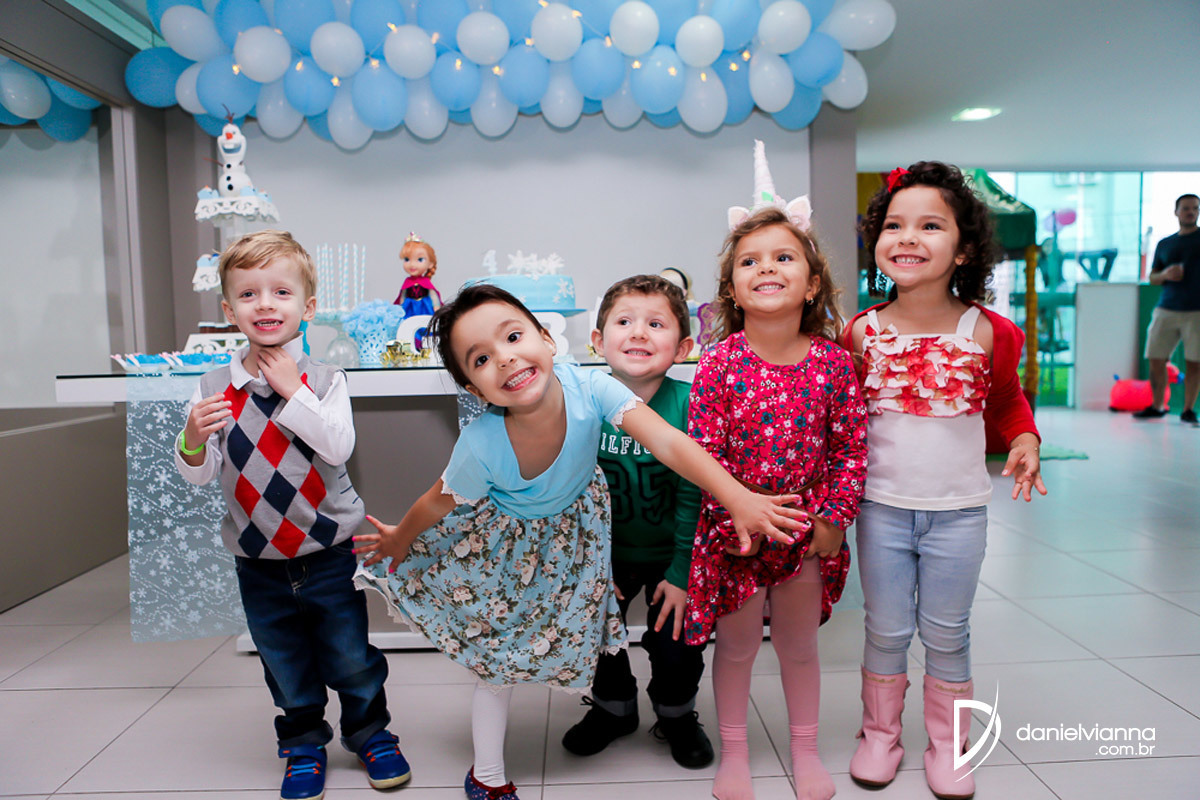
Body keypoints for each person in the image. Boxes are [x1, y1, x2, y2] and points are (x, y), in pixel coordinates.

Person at [351, 284, 806, 800]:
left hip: (580, 534)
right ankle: (489, 776)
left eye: (513, 337)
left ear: (548, 341)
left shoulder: (590, 387)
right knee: (496, 660)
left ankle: (640, 709)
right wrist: (400, 539)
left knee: (592, 630)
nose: (505, 358)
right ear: (476, 390)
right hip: (511, 547)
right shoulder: (481, 445)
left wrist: (737, 496)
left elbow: (667, 441)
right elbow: (437, 500)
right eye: (481, 358)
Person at [174, 230, 410, 800]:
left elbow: (337, 446)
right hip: (258, 560)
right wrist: (191, 440)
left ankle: (370, 732)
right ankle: (303, 742)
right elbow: (202, 475)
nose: (265, 304)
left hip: (327, 553)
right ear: (229, 310)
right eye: (248, 294)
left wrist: (291, 390)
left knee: (351, 655)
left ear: (307, 308)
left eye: (280, 292)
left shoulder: (326, 381)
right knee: (282, 659)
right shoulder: (211, 388)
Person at [846, 162, 1047, 799]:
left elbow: (1008, 401)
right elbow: (841, 422)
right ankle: (879, 735)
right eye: (894, 225)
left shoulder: (989, 331)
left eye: (930, 225)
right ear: (877, 241)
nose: (908, 237)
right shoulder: (861, 332)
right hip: (880, 509)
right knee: (884, 629)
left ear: (963, 249)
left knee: (947, 632)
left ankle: (947, 744)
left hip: (959, 514)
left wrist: (1025, 439)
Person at [685, 141, 869, 800]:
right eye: (750, 260)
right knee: (736, 648)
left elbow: (851, 450)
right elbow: (703, 452)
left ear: (811, 282)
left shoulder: (834, 364)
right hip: (734, 533)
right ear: (732, 287)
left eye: (783, 257)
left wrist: (833, 521)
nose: (766, 267)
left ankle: (805, 752)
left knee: (798, 647)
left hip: (804, 532)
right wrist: (736, 514)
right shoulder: (719, 362)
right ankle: (735, 754)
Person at [560, 274, 712, 769]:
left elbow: (695, 492)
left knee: (677, 644)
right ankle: (613, 707)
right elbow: (570, 490)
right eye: (624, 322)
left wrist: (681, 573)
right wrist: (592, 566)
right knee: (594, 632)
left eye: (656, 324)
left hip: (675, 554)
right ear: (598, 340)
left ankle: (677, 714)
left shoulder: (691, 403)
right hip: (604, 555)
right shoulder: (580, 404)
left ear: (684, 347)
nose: (639, 333)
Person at [1133, 193, 1200, 424]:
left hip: (1197, 311)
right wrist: (1165, 274)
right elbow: (1153, 277)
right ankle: (1157, 406)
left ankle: (1188, 410)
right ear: (1176, 212)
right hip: (1167, 308)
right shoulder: (1165, 244)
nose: (1191, 212)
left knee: (1195, 362)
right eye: (1186, 208)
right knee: (1155, 357)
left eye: (1195, 208)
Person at [393, 232, 442, 318]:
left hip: (424, 306)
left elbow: (433, 295)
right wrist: (400, 308)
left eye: (420, 260)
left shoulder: (426, 282)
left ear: (430, 264)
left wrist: (436, 308)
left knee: (425, 321)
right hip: (409, 306)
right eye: (407, 259)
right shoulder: (407, 281)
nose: (412, 264)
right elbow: (403, 296)